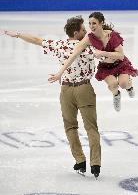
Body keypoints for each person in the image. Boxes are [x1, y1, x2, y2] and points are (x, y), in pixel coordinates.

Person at [3, 16, 101, 178]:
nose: (86, 32)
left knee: (70, 127)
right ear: (76, 33)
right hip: (84, 89)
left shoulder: (59, 45)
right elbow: (105, 55)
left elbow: (36, 39)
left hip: (66, 91)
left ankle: (80, 160)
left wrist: (18, 34)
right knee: (91, 128)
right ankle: (95, 164)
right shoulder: (88, 46)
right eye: (83, 30)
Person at [50, 12, 138, 112]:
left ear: (101, 23)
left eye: (94, 23)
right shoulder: (89, 38)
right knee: (113, 85)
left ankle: (129, 87)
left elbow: (120, 55)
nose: (91, 26)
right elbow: (73, 55)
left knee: (123, 84)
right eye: (90, 23)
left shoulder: (112, 35)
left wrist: (102, 53)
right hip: (106, 67)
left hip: (121, 64)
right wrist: (60, 73)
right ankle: (116, 95)